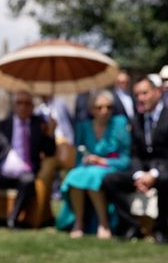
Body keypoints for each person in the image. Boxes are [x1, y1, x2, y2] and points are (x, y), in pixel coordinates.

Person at [102, 76, 168, 245]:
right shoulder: (137, 119)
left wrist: (154, 174)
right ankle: (132, 226)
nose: (140, 98)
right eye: (137, 94)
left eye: (144, 93)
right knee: (110, 180)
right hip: (144, 171)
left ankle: (160, 229)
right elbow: (135, 153)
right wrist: (139, 174)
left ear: (157, 92)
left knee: (165, 179)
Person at [56, 91, 131, 239]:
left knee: (93, 175)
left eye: (109, 107)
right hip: (88, 168)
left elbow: (126, 159)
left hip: (111, 168)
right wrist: (86, 159)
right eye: (100, 107)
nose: (105, 111)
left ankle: (104, 223)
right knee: (75, 175)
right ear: (91, 110)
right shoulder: (83, 127)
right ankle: (78, 222)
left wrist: (104, 161)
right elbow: (79, 156)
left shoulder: (119, 123)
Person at [0, 91, 56, 230]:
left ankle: (13, 219)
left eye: (27, 103)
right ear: (13, 106)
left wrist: (51, 133)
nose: (23, 107)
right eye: (19, 103)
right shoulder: (3, 125)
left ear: (33, 107)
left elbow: (49, 151)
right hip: (2, 172)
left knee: (28, 180)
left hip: (25, 174)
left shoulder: (38, 125)